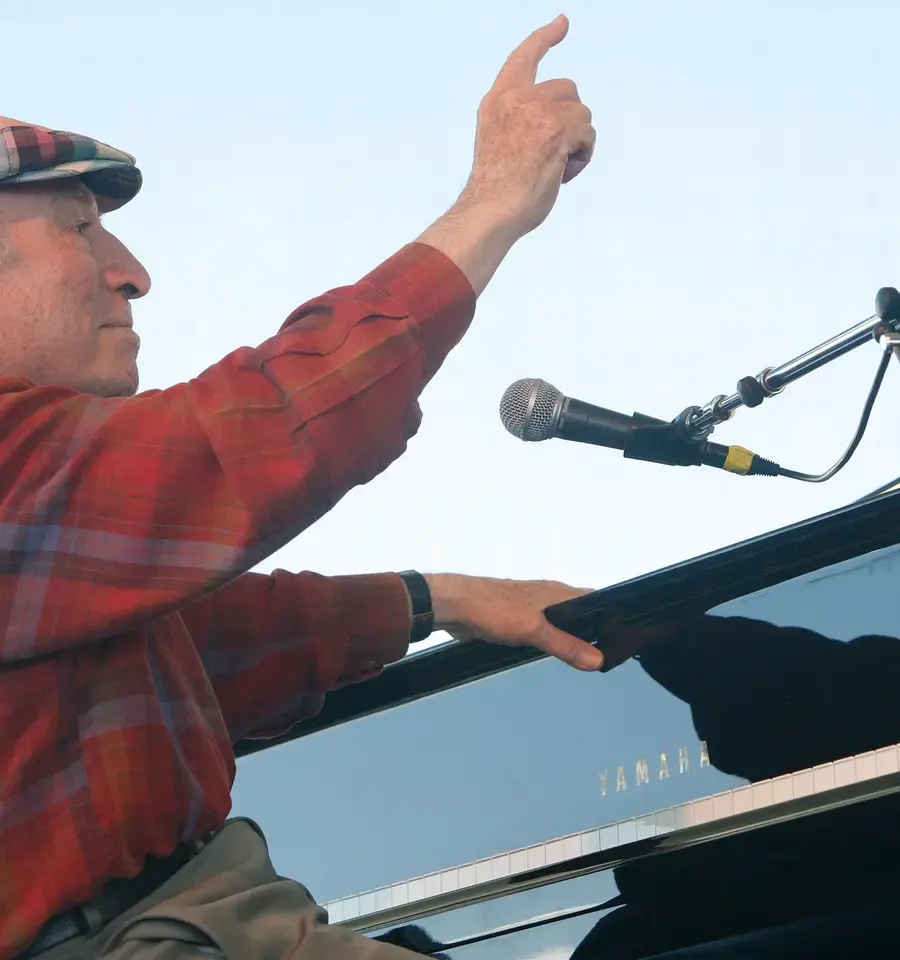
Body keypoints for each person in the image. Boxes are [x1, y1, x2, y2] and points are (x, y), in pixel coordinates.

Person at [0, 15, 602, 960]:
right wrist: (492, 204)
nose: (133, 274)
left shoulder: (48, 536)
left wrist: (432, 600)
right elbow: (256, 432)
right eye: (80, 230)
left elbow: (197, 652)